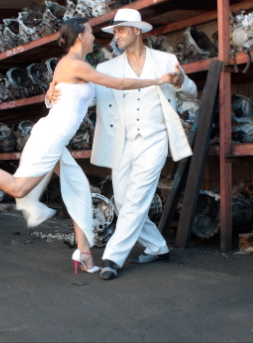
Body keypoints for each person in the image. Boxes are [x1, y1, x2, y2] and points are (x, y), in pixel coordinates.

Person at [0, 17, 175, 275]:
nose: (92, 36)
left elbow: (59, 95)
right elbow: (118, 84)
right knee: (18, 188)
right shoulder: (75, 64)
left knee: (80, 191)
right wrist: (157, 80)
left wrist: (48, 94)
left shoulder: (75, 65)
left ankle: (85, 253)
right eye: (89, 32)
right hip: (51, 137)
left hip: (54, 135)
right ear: (80, 37)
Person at [46, 9, 198, 280]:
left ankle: (112, 258)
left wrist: (181, 81)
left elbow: (191, 91)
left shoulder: (165, 60)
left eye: (120, 30)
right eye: (114, 32)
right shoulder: (105, 70)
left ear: (137, 30)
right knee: (126, 201)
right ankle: (159, 247)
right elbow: (81, 97)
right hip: (120, 144)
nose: (115, 36)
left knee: (137, 198)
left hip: (154, 140)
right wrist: (52, 93)